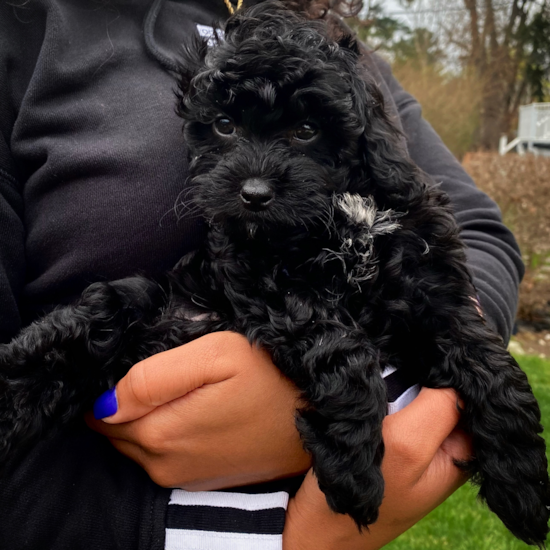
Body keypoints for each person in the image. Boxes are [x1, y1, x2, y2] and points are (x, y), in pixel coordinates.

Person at [0, 0, 523, 548]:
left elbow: (477, 232)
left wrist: (404, 394)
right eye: (225, 126)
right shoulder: (27, 26)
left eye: (300, 133)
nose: (253, 182)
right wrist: (276, 536)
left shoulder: (344, 51)